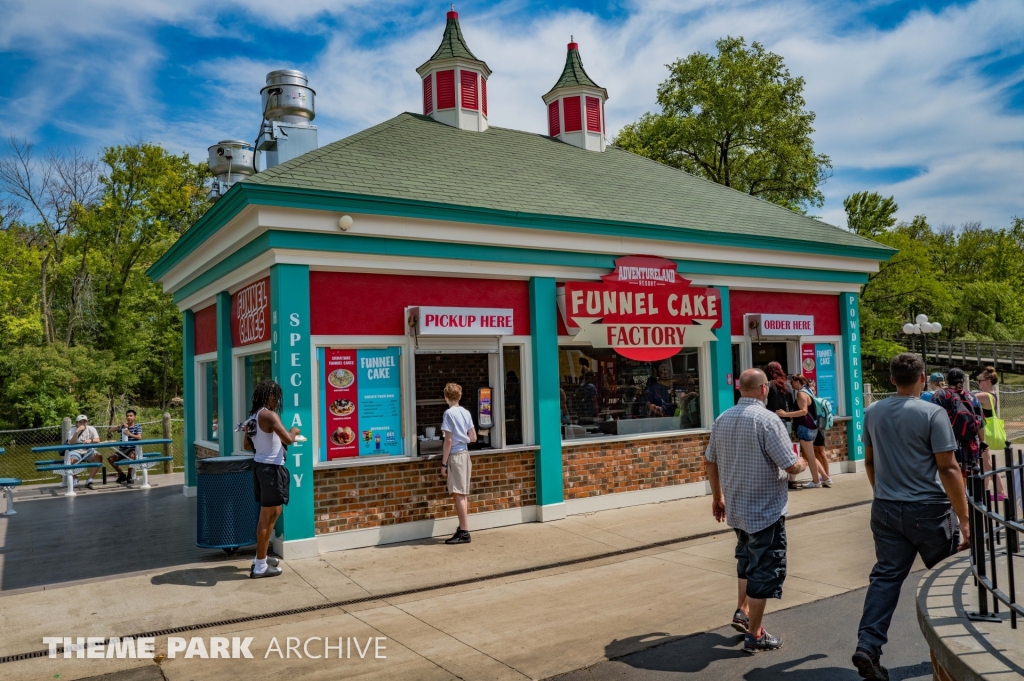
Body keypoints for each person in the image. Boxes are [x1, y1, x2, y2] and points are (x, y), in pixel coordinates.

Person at [852, 353, 970, 680]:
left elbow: (870, 462)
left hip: (886, 508)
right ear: (922, 378)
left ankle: (868, 645)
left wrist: (883, 493)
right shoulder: (932, 413)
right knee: (949, 580)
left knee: (886, 578)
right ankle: (956, 648)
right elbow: (947, 467)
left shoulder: (872, 412)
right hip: (930, 510)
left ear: (892, 379)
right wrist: (964, 519)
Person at [705, 368, 808, 654]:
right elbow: (790, 465)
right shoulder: (767, 420)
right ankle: (755, 634)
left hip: (736, 507)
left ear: (740, 389)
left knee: (746, 562)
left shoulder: (722, 419)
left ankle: (743, 611)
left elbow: (710, 461)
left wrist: (717, 497)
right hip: (765, 510)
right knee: (764, 569)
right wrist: (803, 464)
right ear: (764, 389)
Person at [243, 380, 300, 579]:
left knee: (275, 511)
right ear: (270, 396)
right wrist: (295, 431)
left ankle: (262, 556)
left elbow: (246, 445)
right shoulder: (269, 414)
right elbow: (289, 439)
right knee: (266, 517)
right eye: (276, 397)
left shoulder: (253, 416)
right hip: (271, 470)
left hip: (260, 467)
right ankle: (259, 566)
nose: (277, 401)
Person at [776, 375, 832, 489]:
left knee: (809, 456)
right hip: (812, 427)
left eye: (792, 382)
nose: (791, 384)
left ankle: (816, 482)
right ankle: (826, 478)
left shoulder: (801, 393)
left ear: (797, 381)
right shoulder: (808, 390)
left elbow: (803, 411)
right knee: (811, 455)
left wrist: (785, 414)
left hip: (805, 427)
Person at [931, 368, 986, 478]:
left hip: (946, 441)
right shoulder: (971, 396)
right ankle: (965, 494)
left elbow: (932, 419)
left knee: (947, 472)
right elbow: (980, 421)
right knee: (967, 473)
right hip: (969, 443)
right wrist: (982, 440)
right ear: (963, 380)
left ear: (947, 379)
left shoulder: (940, 395)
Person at [440, 382, 477, 545]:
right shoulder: (466, 413)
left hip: (455, 456)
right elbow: (474, 437)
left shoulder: (448, 414)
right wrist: (464, 438)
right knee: (462, 493)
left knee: (458, 494)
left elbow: (448, 441)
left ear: (445, 397)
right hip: (465, 455)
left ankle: (464, 532)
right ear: (460, 396)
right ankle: (463, 528)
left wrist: (443, 464)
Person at [765, 362, 800, 491]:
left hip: (771, 421)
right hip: (786, 422)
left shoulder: (768, 386)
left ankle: (777, 478)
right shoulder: (788, 386)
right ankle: (792, 480)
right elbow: (791, 404)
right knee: (787, 450)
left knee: (771, 451)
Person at [975, 366, 1007, 501]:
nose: (978, 383)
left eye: (980, 380)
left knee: (987, 463)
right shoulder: (992, 394)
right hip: (985, 433)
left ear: (987, 381)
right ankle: (985, 491)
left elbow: (966, 396)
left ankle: (1001, 492)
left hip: (985, 433)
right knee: (984, 463)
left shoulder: (985, 395)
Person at [66, 414, 103, 489]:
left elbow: (98, 440)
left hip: (88, 450)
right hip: (75, 450)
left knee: (99, 457)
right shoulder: (72, 430)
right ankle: (74, 478)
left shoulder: (91, 429)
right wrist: (77, 432)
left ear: (87, 422)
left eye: (84, 422)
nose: (82, 423)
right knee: (70, 461)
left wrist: (91, 440)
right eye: (80, 422)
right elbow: (72, 442)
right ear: (76, 423)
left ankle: (90, 479)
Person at [107, 409, 142, 484]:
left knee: (132, 456)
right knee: (110, 458)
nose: (129, 417)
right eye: (127, 416)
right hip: (122, 450)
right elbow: (110, 430)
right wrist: (120, 426)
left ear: (134, 417)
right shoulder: (123, 426)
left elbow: (139, 437)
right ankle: (122, 474)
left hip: (132, 449)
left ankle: (129, 476)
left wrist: (129, 433)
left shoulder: (137, 426)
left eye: (131, 416)